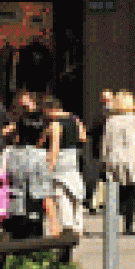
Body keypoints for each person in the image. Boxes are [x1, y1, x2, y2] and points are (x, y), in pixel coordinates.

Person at [3, 92, 55, 240]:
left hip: (30, 155)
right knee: (26, 192)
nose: (21, 101)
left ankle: (33, 225)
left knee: (34, 193)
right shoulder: (29, 117)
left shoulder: (33, 117)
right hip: (30, 154)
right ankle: (27, 224)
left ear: (31, 100)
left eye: (24, 99)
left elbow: (39, 136)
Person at [101, 90, 135, 235]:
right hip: (132, 158)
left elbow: (105, 143)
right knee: (131, 192)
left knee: (117, 191)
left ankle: (115, 217)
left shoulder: (110, 120)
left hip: (115, 159)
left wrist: (104, 160)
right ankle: (128, 225)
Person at [40, 93, 87, 237]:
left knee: (61, 193)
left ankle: (68, 226)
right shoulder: (75, 119)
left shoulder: (55, 124)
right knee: (75, 192)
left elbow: (55, 146)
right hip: (73, 159)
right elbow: (83, 137)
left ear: (49, 110)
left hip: (61, 160)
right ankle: (78, 224)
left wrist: (49, 167)